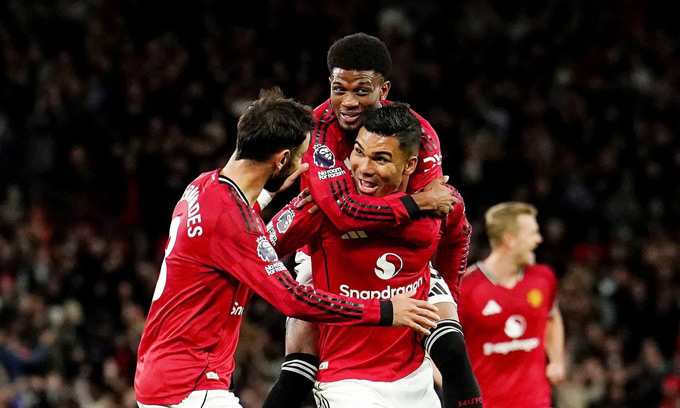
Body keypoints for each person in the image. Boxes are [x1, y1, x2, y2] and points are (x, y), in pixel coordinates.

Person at [133, 89, 442, 408]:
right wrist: (386, 310)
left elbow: (243, 238)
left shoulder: (202, 186)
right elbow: (292, 298)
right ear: (282, 160)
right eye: (302, 157)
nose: (306, 166)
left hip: (163, 372)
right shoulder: (231, 221)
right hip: (189, 386)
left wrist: (270, 195)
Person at [262, 33, 481, 408]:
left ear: (384, 89)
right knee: (299, 366)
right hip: (328, 250)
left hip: (406, 260)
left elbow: (434, 226)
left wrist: (450, 293)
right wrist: (414, 203)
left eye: (361, 90)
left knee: (453, 352)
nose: (349, 102)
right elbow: (340, 214)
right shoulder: (317, 131)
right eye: (339, 89)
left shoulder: (420, 135)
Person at [265, 103, 444, 407]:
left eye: (381, 158)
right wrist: (263, 196)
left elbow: (457, 236)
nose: (364, 168)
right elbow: (258, 251)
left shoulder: (430, 209)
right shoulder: (325, 207)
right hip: (348, 383)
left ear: (410, 165)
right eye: (359, 152)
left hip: (417, 380)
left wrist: (451, 294)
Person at [458, 202, 566, 408]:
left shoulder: (544, 279)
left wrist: (557, 360)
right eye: (532, 233)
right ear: (510, 240)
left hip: (536, 401)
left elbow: (553, 317)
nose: (539, 239)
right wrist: (456, 390)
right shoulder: (465, 288)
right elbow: (432, 346)